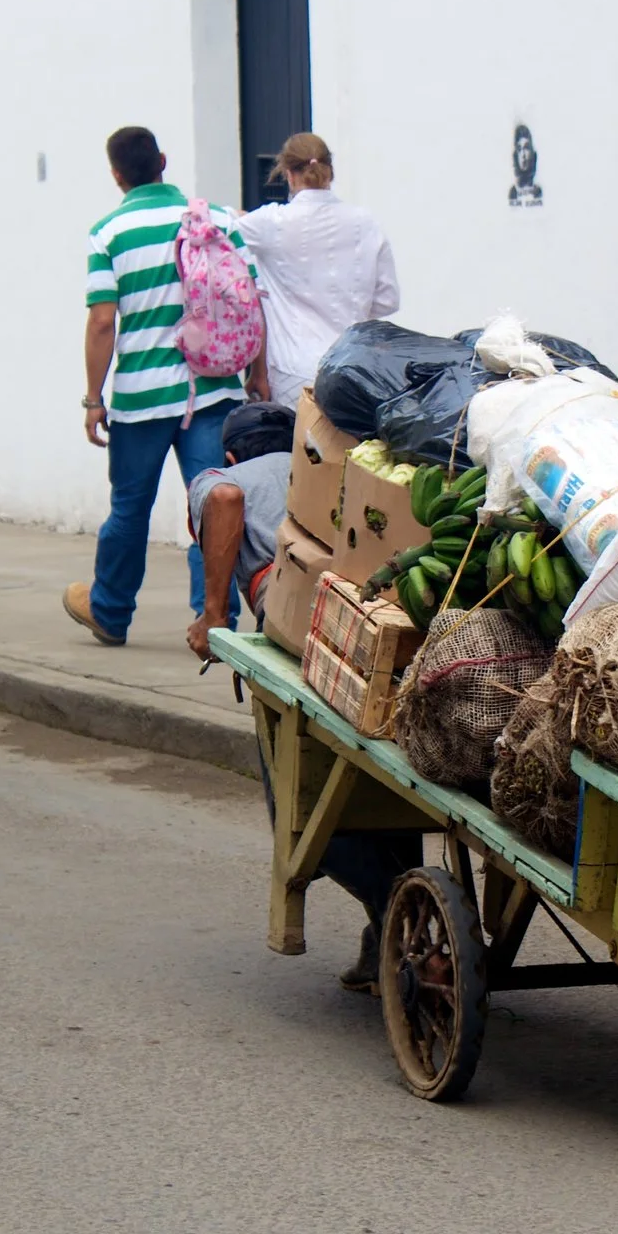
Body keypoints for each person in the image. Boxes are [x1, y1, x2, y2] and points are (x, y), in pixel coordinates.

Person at [187, 399, 418, 992]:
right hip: (385, 617)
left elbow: (223, 503)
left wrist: (211, 617)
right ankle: (391, 925)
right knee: (389, 771)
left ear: (233, 453)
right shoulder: (339, 469)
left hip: (301, 626)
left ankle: (396, 907)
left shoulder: (223, 476)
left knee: (298, 804)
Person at [64, 125, 269, 646]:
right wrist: (257, 372)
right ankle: (215, 620)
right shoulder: (216, 218)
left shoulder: (108, 233)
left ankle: (109, 610)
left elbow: (102, 322)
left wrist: (94, 398)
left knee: (130, 508)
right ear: (163, 160)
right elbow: (252, 299)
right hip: (215, 387)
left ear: (117, 175)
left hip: (142, 398)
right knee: (213, 505)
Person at [233, 133, 400, 410]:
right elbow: (387, 300)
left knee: (298, 452)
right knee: (347, 452)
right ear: (330, 172)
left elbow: (217, 228)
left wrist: (238, 215)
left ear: (288, 174)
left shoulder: (270, 223)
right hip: (355, 367)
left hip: (293, 372)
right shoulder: (365, 222)